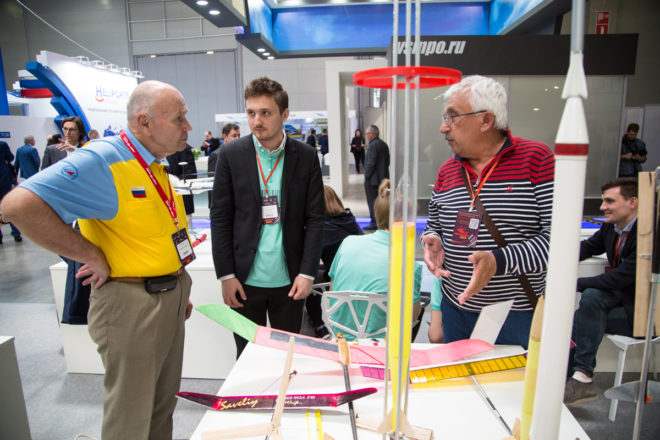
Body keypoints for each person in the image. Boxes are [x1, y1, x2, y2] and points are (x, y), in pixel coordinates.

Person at [0, 80, 195, 440]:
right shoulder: (103, 159)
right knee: (131, 416)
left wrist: (176, 285)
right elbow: (17, 206)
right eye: (179, 118)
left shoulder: (152, 165)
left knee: (160, 406)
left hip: (167, 297)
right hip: (132, 304)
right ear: (144, 122)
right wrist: (88, 254)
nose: (188, 126)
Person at [422, 75, 554, 349]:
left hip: (515, 314)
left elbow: (559, 240)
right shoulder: (447, 170)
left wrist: (498, 261)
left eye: (452, 117)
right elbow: (435, 222)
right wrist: (432, 238)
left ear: (486, 120)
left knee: (514, 378)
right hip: (456, 309)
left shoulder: (537, 160)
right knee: (460, 377)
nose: (443, 128)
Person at [210, 76, 324, 357]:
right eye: (251, 113)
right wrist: (226, 275)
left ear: (284, 114)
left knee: (287, 358)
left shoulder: (306, 156)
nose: (257, 121)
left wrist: (307, 272)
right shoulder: (231, 155)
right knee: (247, 357)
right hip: (243, 280)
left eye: (265, 113)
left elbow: (315, 218)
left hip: (291, 280)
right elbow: (220, 217)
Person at [564, 177, 639, 405]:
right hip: (620, 301)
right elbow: (588, 247)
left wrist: (573, 284)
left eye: (609, 201)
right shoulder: (611, 227)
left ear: (633, 202)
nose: (602, 206)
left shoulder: (648, 236)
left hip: (640, 314)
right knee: (587, 306)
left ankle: (578, 378)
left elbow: (621, 277)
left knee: (587, 305)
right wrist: (552, 259)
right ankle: (576, 378)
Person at [328, 179, 422, 340]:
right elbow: (411, 317)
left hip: (340, 335)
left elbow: (333, 290)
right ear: (405, 220)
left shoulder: (348, 243)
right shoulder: (408, 263)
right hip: (382, 341)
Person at [307, 185, 363, 338]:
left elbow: (308, 258)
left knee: (308, 276)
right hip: (358, 279)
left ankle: (320, 325)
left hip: (340, 282)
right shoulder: (348, 219)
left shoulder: (323, 229)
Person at [363, 124, 390, 230]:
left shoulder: (373, 145)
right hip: (383, 179)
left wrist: (366, 176)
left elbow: (370, 163)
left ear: (372, 134)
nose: (366, 136)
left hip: (373, 180)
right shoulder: (384, 144)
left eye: (367, 133)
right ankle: (381, 222)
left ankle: (374, 222)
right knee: (382, 202)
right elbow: (388, 161)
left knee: (373, 202)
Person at [207, 123, 240, 207]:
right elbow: (212, 183)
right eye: (234, 136)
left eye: (239, 136)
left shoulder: (240, 154)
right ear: (225, 137)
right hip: (223, 205)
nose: (237, 138)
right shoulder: (216, 155)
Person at [166, 143, 197, 215]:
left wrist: (172, 180)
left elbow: (189, 174)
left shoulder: (183, 148)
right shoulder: (160, 148)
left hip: (181, 202)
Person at [0, 140, 22, 243]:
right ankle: (16, 233)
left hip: (4, 178)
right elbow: (10, 158)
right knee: (8, 207)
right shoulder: (2, 144)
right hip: (3, 179)